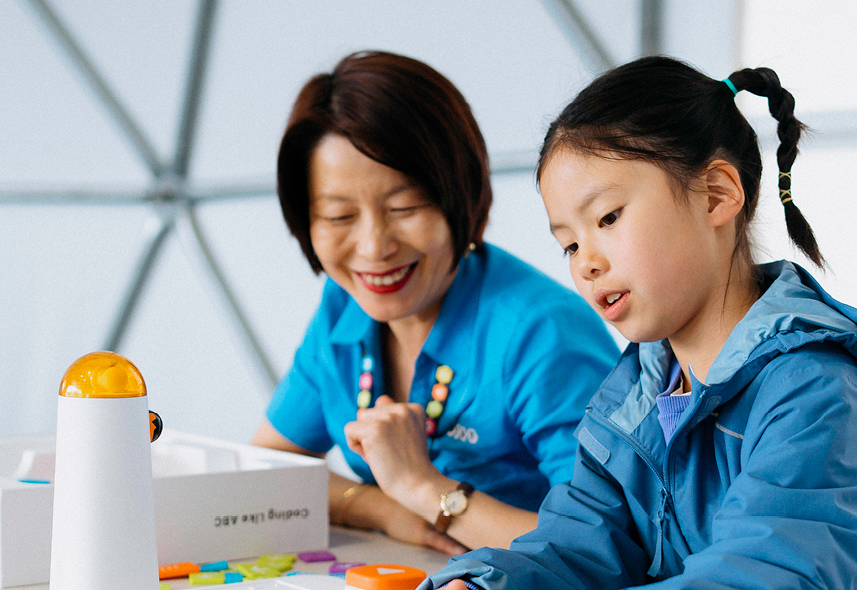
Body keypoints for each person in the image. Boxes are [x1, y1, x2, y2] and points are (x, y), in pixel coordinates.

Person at [362, 56, 857, 590]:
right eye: (569, 242)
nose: (585, 261)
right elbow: (579, 549)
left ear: (717, 195)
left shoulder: (819, 392)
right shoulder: (633, 396)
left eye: (607, 218)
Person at [252, 52, 620, 555]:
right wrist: (382, 509)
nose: (373, 247)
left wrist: (425, 490)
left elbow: (602, 545)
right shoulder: (344, 305)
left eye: (404, 208)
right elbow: (267, 472)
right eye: (339, 217)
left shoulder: (541, 330)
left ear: (461, 196)